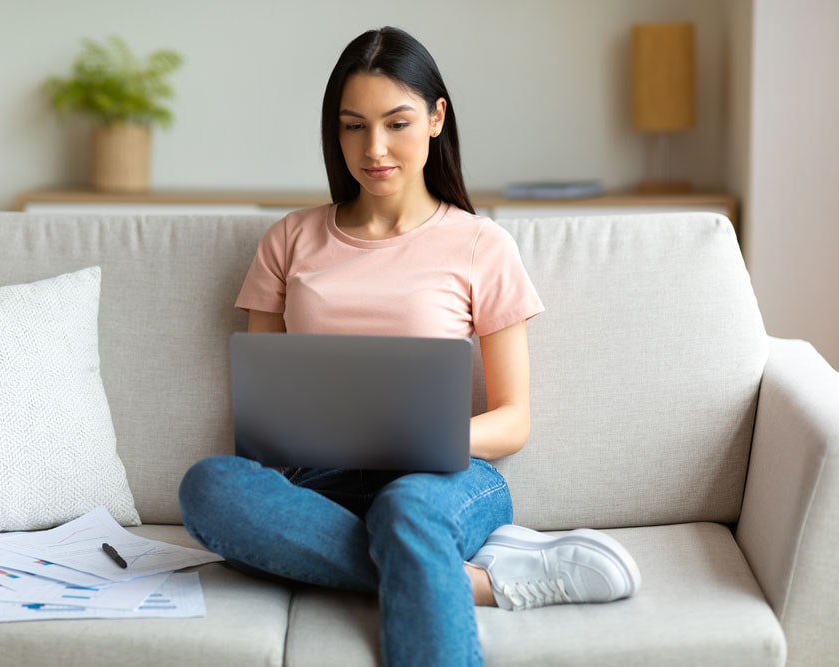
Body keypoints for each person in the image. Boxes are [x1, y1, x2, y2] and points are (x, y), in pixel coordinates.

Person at [179, 26, 640, 667]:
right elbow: (266, 412)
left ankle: (423, 558)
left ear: (436, 119)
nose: (374, 150)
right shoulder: (290, 239)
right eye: (352, 126)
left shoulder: (481, 245)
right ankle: (482, 582)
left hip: (444, 479)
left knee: (406, 508)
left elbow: (514, 421)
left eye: (396, 123)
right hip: (320, 487)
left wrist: (420, 440)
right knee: (209, 486)